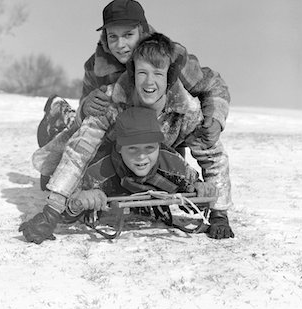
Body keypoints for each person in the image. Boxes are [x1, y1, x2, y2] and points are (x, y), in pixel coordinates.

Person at [32, 32, 234, 240]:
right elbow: (79, 151)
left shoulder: (187, 111)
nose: (149, 83)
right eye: (142, 73)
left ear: (169, 77)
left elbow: (213, 156)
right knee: (67, 141)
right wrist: (53, 209)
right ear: (133, 73)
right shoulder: (111, 101)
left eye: (158, 73)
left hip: (153, 152)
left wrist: (219, 213)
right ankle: (58, 110)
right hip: (110, 151)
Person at [38, 0, 230, 151]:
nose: (120, 45)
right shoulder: (96, 67)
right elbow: (88, 123)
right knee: (72, 134)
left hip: (163, 134)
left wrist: (215, 120)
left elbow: (212, 85)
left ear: (142, 31)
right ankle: (57, 112)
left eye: (128, 35)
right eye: (113, 37)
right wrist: (85, 107)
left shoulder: (171, 56)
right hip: (121, 139)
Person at [19, 107, 219, 244]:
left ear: (159, 147)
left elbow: (192, 192)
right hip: (86, 159)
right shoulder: (99, 171)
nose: (142, 156)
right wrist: (78, 203)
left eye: (149, 148)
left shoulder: (172, 163)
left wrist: (201, 191)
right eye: (132, 149)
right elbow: (67, 206)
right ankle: (57, 111)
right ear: (120, 148)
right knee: (47, 177)